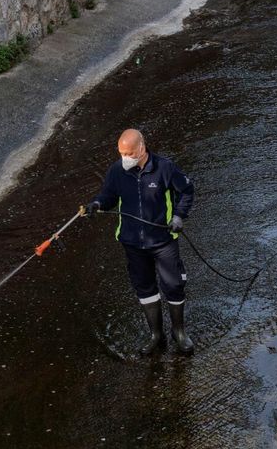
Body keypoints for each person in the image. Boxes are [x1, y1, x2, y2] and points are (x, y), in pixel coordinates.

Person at [83, 129, 196, 355]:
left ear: (142, 148)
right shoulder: (117, 171)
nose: (125, 158)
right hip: (132, 243)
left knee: (173, 285)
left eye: (129, 153)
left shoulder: (165, 168)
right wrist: (96, 204)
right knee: (144, 287)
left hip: (163, 241)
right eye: (122, 153)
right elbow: (108, 196)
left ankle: (179, 332)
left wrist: (178, 216)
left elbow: (186, 191)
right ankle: (156, 334)